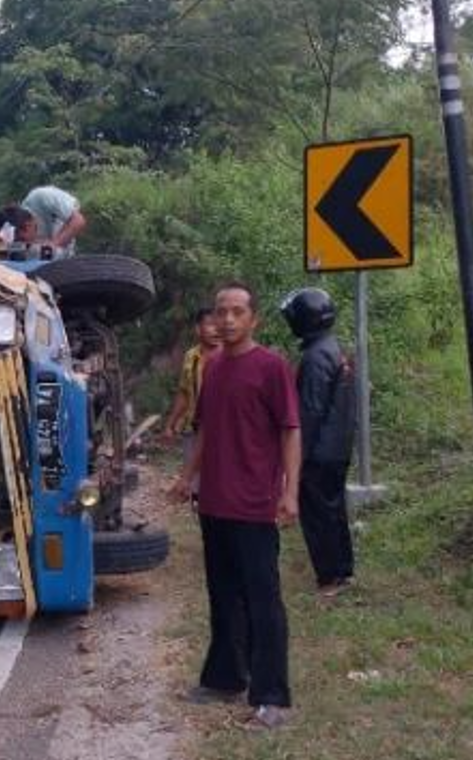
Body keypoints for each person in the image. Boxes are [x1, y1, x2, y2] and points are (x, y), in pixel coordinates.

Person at [169, 281, 301, 730]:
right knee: (223, 596)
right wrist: (188, 478)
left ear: (253, 319)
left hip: (254, 505)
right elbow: (205, 431)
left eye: (237, 312)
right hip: (215, 503)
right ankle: (226, 678)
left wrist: (290, 491)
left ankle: (272, 699)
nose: (226, 320)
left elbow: (290, 430)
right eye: (221, 311)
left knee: (263, 603)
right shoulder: (214, 367)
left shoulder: (271, 367)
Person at [279, 287, 356, 597]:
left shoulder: (315, 357)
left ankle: (329, 578)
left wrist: (294, 461)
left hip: (320, 452)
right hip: (338, 449)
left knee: (318, 516)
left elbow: (308, 414)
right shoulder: (334, 348)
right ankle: (343, 571)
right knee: (334, 511)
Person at [162, 308, 221, 503]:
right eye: (210, 325)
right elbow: (184, 392)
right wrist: (171, 424)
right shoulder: (191, 356)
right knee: (195, 480)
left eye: (217, 325)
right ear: (198, 329)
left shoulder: (229, 355)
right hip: (193, 426)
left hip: (222, 428)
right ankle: (200, 511)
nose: (216, 330)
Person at [0, 185, 87, 259]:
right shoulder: (19, 232)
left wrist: (55, 244)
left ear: (27, 226)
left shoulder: (43, 197)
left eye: (22, 240)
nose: (23, 244)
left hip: (67, 257)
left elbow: (78, 220)